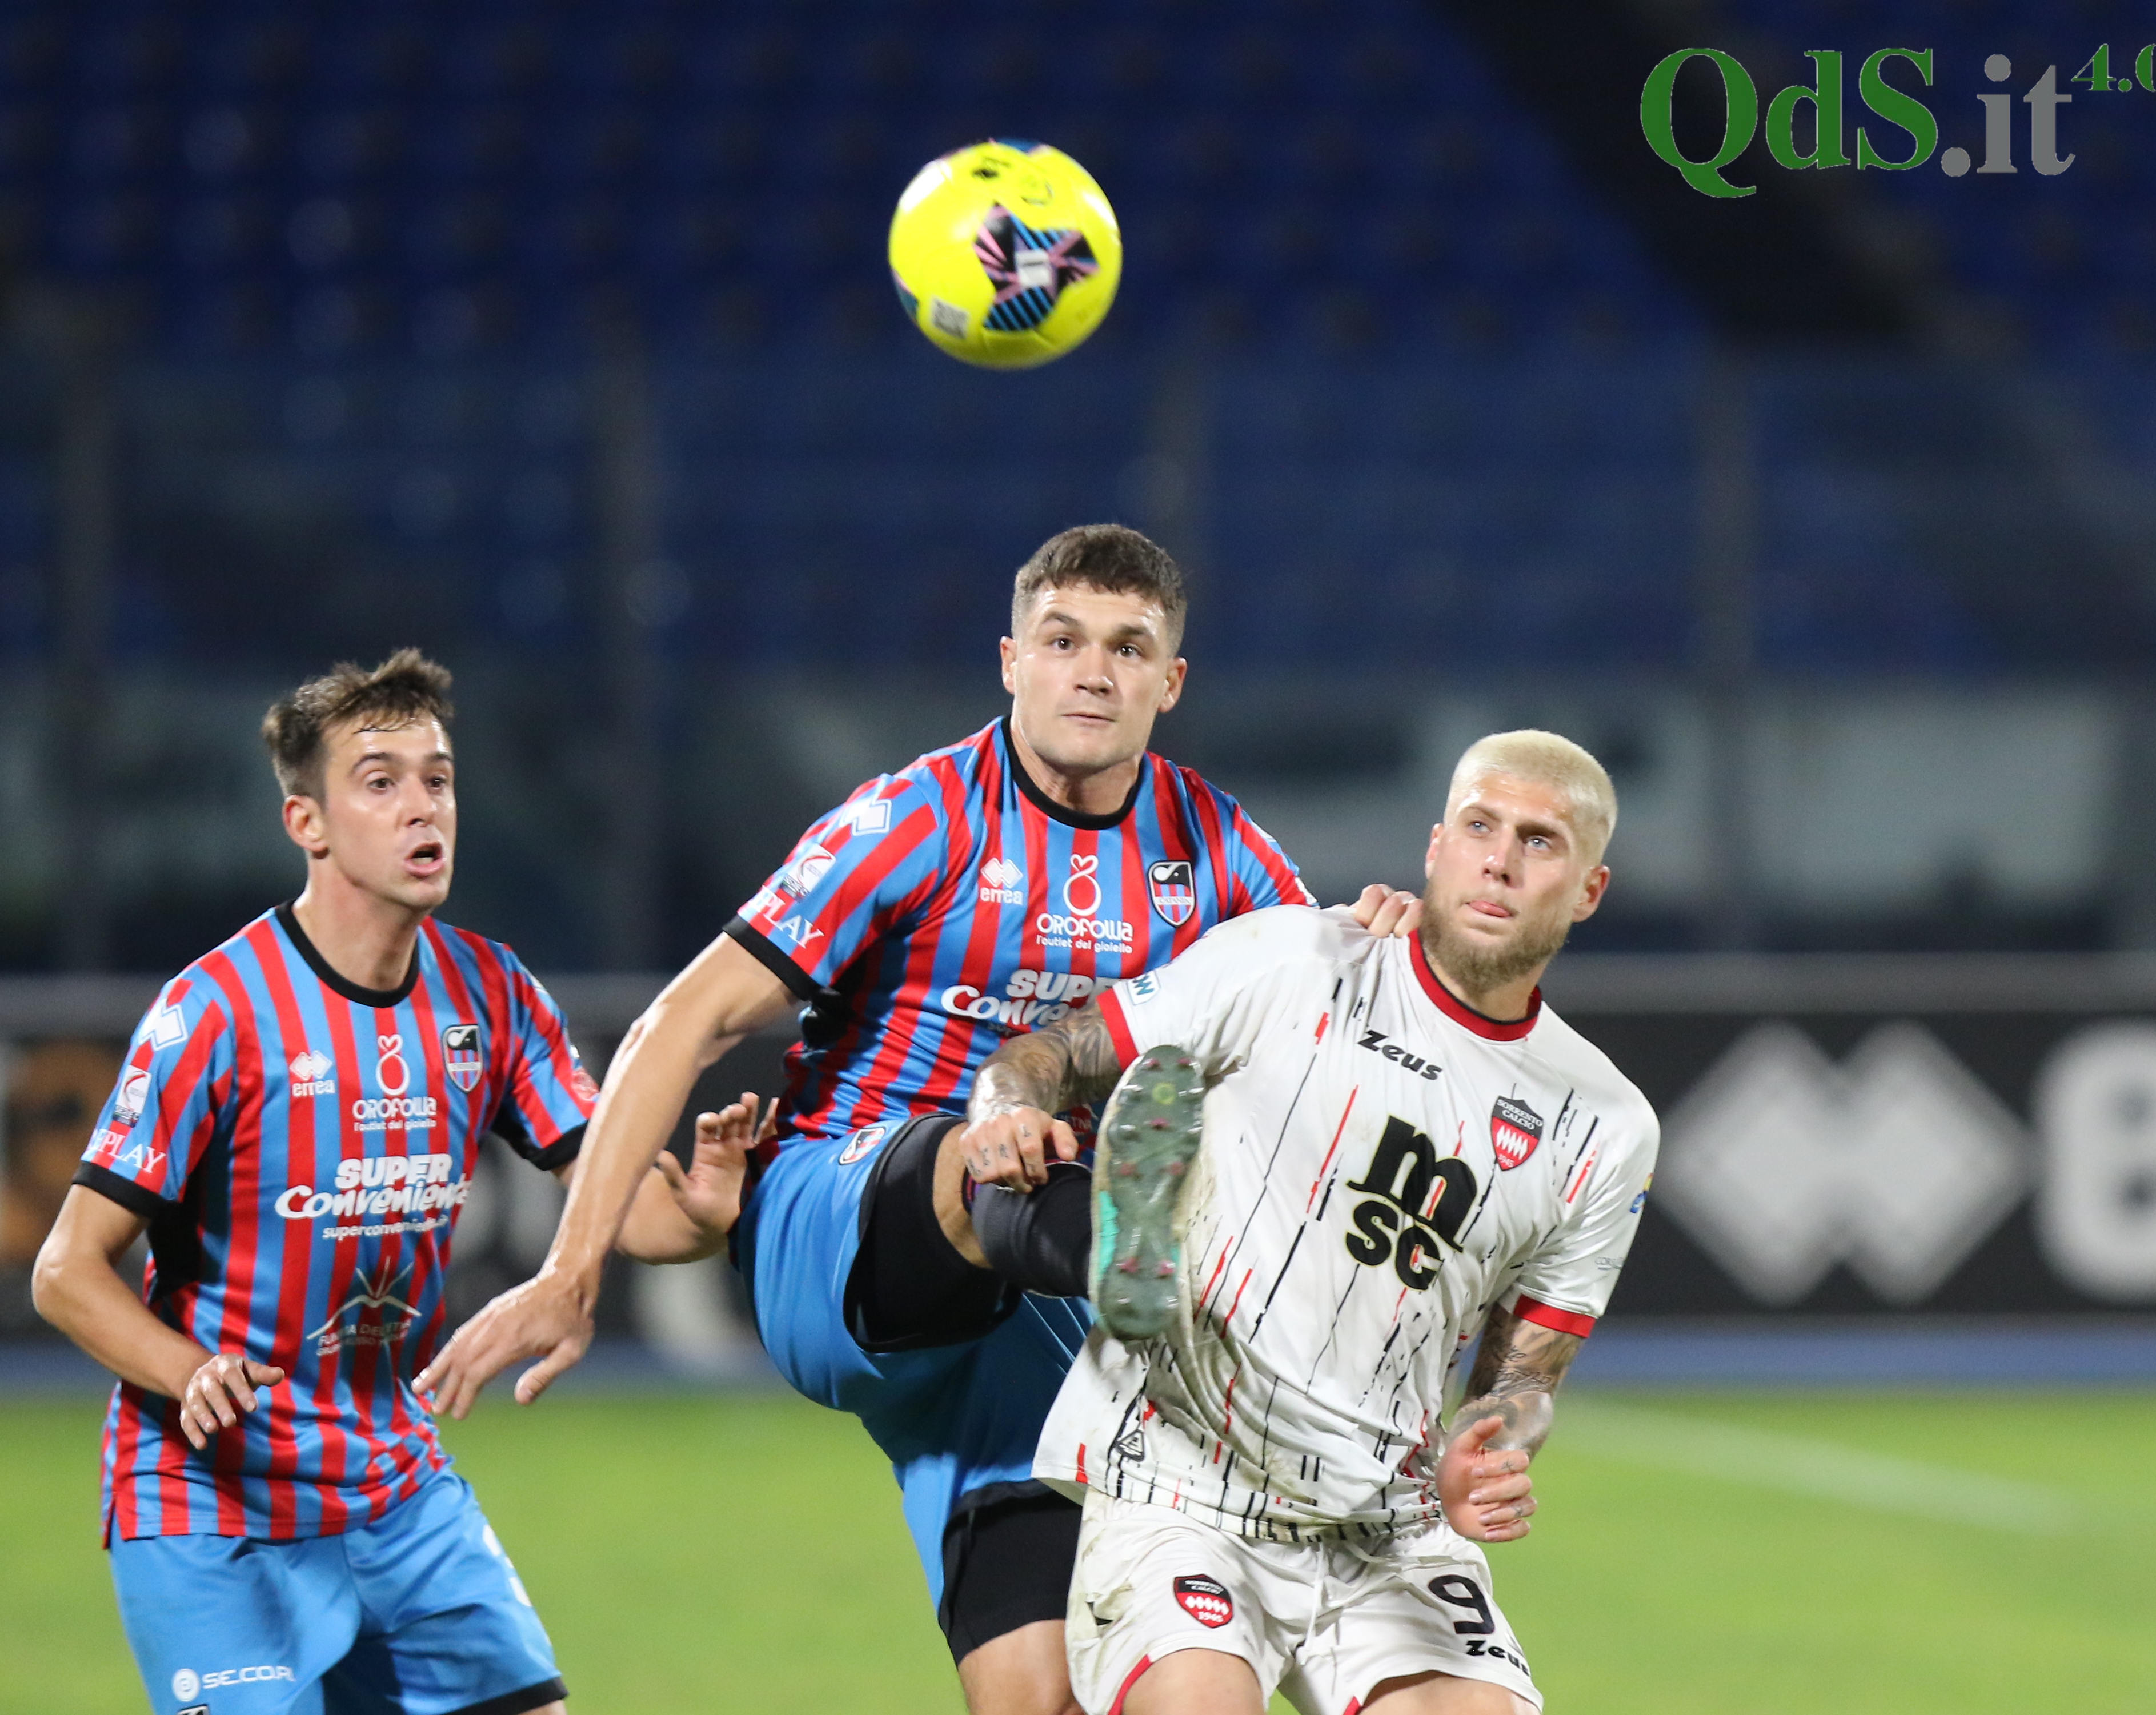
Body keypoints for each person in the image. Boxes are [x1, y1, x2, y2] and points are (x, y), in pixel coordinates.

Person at [414, 525, 1417, 1715]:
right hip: (841, 1228)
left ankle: (1161, 1281)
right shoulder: (916, 818)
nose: (1093, 672)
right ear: (1011, 661)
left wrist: (1393, 953)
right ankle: (1172, 1273)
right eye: (1063, 641)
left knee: (1041, 1693)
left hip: (1025, 1318)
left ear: (1170, 681)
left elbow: (1342, 1026)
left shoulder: (1220, 851)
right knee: (985, 1141)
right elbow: (684, 1020)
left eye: (1128, 648)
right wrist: (571, 1271)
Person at [30, 650, 745, 1715]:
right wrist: (189, 1372)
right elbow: (64, 1272)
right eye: (380, 781)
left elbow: (629, 1209)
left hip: (395, 1488)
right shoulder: (216, 1011)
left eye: (438, 779)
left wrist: (700, 1221)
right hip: (214, 1508)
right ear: (307, 823)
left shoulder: (493, 993)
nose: (423, 807)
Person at [958, 730, 1661, 1715]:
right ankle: (1138, 1254)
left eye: (1538, 841)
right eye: (1479, 827)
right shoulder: (1290, 959)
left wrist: (1492, 1448)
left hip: (1389, 1524)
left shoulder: (1606, 1123)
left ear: (1589, 889)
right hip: (1180, 1485)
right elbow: (1045, 1056)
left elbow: (1523, 1378)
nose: (1499, 859)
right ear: (1435, 846)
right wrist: (1004, 1110)